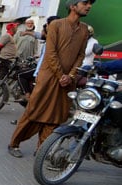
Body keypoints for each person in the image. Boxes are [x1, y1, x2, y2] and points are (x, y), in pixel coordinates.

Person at [7, 0, 93, 158]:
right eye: (85, 3)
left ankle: (42, 150)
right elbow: (51, 53)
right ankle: (14, 143)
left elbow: (81, 55)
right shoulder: (56, 25)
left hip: (67, 82)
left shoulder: (84, 30)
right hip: (48, 78)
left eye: (90, 4)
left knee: (56, 116)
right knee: (34, 111)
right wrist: (61, 75)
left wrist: (71, 76)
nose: (89, 6)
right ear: (73, 6)